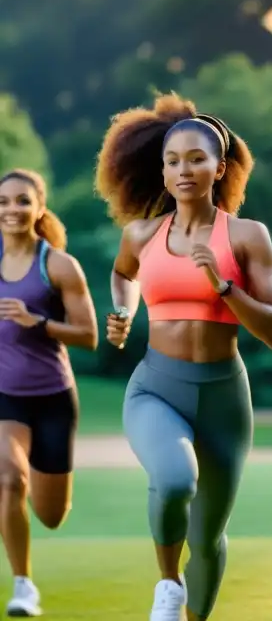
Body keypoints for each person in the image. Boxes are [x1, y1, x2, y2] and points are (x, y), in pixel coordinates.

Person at [94, 95, 272, 621]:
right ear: (161, 169)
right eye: (173, 160)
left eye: (196, 159)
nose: (184, 169)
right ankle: (166, 586)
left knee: (208, 538)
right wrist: (123, 311)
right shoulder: (141, 234)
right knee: (175, 479)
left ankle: (195, 612)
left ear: (219, 168)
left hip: (224, 396)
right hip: (157, 386)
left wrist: (223, 285)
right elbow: (122, 274)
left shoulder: (247, 237)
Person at [0, 169, 98, 617]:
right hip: (5, 397)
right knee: (9, 479)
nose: (12, 210)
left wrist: (35, 321)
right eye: (3, 202)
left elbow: (88, 335)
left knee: (51, 514)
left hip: (54, 398)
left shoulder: (57, 265)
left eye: (22, 201)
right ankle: (23, 585)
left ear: (40, 208)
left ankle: (42, 508)